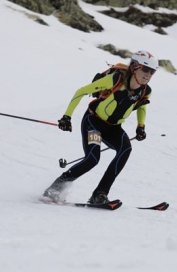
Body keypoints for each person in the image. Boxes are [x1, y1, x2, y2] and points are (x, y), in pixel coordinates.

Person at [43, 50, 158, 204]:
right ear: (134, 67)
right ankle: (55, 188)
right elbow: (82, 91)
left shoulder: (146, 91)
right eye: (146, 69)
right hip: (94, 123)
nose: (148, 75)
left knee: (125, 150)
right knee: (93, 159)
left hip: (113, 128)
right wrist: (67, 117)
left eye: (152, 72)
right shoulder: (115, 79)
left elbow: (142, 106)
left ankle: (99, 194)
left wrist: (141, 126)